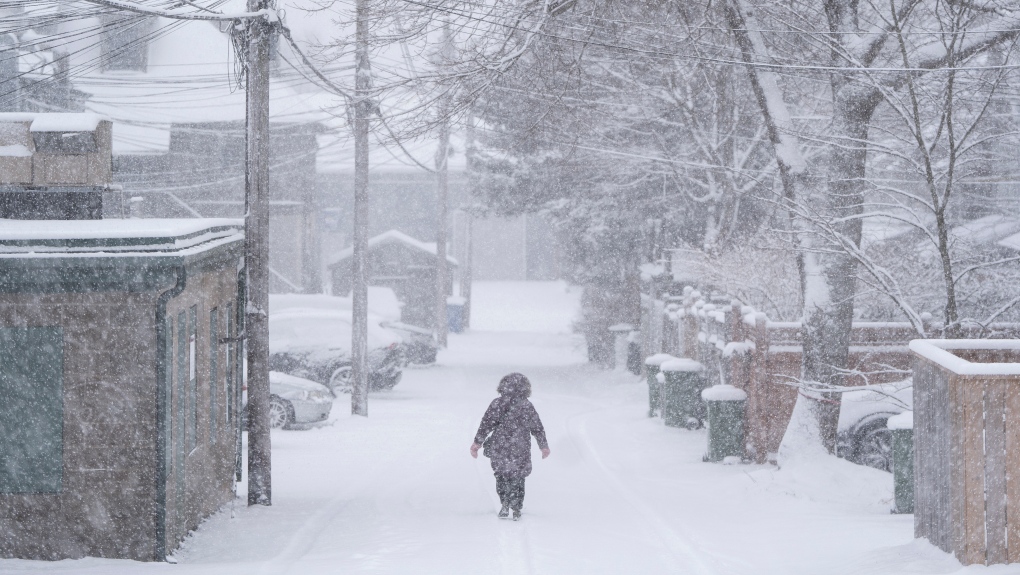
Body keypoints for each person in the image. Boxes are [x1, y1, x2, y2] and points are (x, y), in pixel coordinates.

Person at [470, 372, 550, 521]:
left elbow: (486, 425)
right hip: (520, 446)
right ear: (525, 388)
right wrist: (543, 446)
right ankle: (517, 507)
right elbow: (537, 427)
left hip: (500, 445)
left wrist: (477, 443)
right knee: (518, 476)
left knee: (501, 474)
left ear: (502, 386)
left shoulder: (497, 404)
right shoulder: (526, 405)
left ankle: (505, 503)